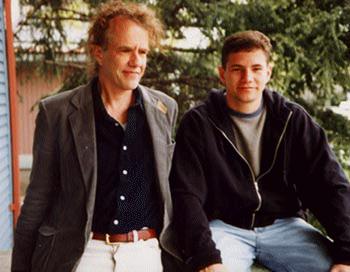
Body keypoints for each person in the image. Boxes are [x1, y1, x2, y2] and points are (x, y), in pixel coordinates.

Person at [11, 1, 180, 271]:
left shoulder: (164, 109)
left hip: (145, 253)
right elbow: (38, 198)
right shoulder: (57, 112)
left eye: (143, 52)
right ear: (98, 53)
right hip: (82, 252)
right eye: (126, 50)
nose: (137, 62)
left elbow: (172, 190)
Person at [170, 30, 350, 272]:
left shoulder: (291, 119)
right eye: (237, 69)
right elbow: (187, 195)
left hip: (285, 226)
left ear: (269, 72)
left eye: (256, 69)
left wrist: (347, 253)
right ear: (222, 74)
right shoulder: (200, 122)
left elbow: (329, 186)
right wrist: (205, 256)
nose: (247, 77)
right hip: (226, 228)